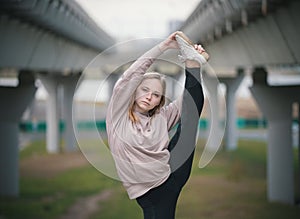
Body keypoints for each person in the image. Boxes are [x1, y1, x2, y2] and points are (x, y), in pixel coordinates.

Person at [106, 31, 209, 219]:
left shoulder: (161, 116)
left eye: (156, 95)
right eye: (145, 90)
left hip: (172, 173)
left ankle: (192, 63)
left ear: (159, 101)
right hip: (150, 193)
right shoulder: (118, 116)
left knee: (191, 111)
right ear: (134, 91)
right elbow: (130, 76)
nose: (149, 96)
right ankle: (192, 63)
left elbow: (190, 102)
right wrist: (163, 47)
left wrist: (196, 70)